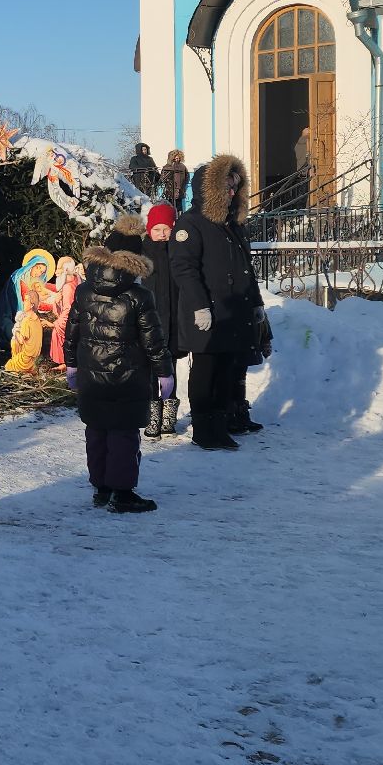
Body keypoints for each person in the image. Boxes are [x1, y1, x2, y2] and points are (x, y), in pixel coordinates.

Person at [63, 215, 172, 514]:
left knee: (96, 430)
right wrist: (164, 372)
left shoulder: (84, 291)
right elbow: (153, 341)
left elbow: (71, 332)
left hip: (91, 378)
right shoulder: (139, 297)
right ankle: (122, 494)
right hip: (128, 379)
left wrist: (72, 365)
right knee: (124, 434)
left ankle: (101, 488)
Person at [169, 154, 264, 451]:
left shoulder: (232, 225)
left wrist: (256, 302)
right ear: (210, 189)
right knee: (205, 369)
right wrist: (199, 306)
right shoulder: (190, 223)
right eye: (227, 186)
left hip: (232, 312)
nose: (232, 193)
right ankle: (203, 427)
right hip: (206, 312)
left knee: (226, 369)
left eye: (236, 186)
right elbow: (184, 268)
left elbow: (246, 268)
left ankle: (220, 424)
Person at [141, 203, 183, 439]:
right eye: (157, 229)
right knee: (150, 371)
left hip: (173, 320)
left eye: (166, 228)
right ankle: (152, 416)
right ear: (149, 229)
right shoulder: (143, 251)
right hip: (150, 322)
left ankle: (168, 418)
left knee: (171, 370)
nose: (162, 234)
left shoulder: (177, 250)